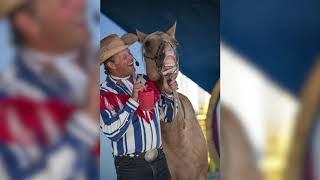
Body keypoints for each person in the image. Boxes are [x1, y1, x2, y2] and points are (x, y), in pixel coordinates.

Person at [0, 0, 99, 179]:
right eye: (64, 3)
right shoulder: (10, 102)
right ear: (28, 22)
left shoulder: (92, 62)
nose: (81, 4)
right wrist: (88, 119)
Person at [100, 34, 178, 180]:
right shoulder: (104, 93)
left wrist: (168, 94)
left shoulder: (146, 80)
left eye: (129, 52)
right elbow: (112, 133)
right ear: (111, 64)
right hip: (132, 168)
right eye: (124, 57)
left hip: (160, 160)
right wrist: (133, 99)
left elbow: (168, 116)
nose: (131, 58)